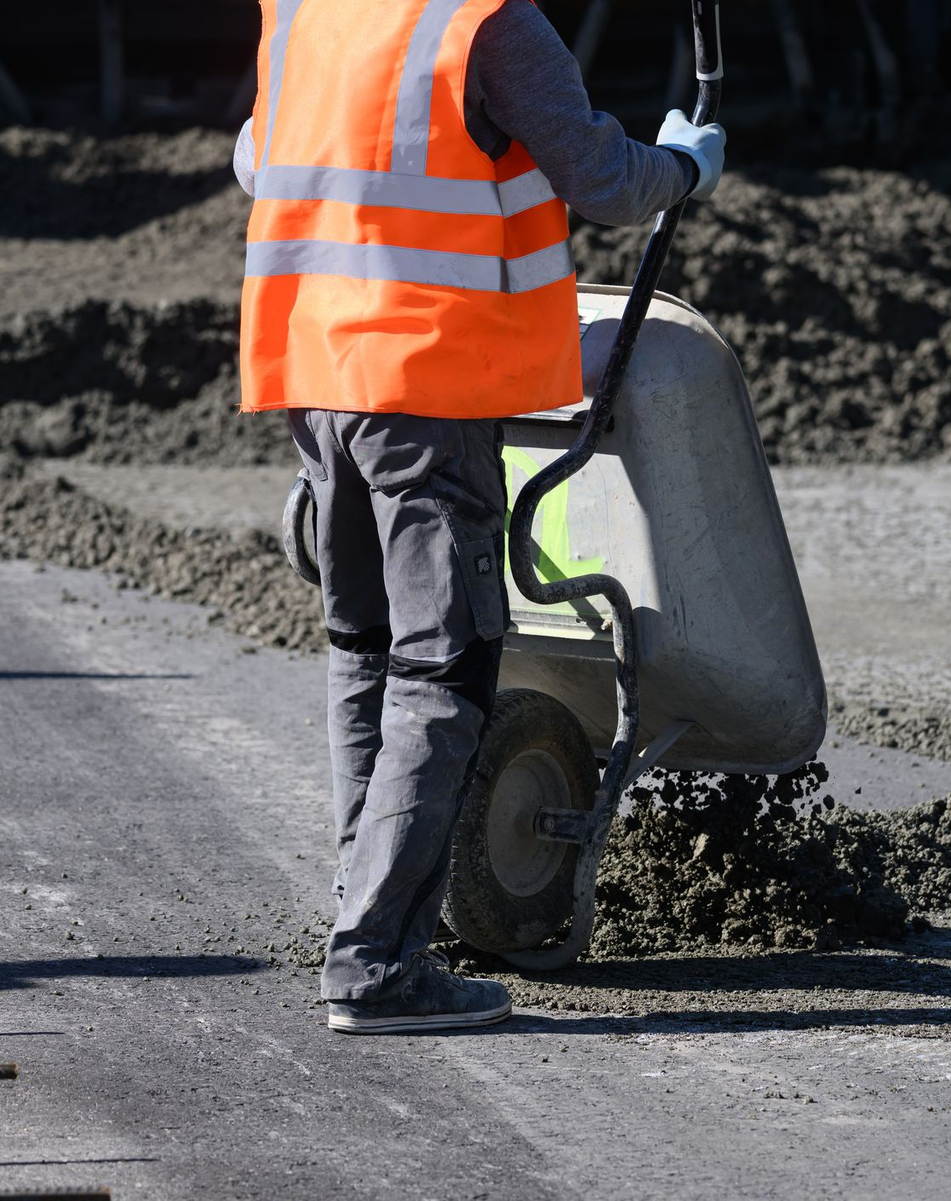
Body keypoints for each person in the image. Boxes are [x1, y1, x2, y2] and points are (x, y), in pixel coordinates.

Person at [234, 0, 726, 1035]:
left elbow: (256, 158)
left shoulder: (306, 14)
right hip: (426, 385)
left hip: (317, 374)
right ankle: (375, 964)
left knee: (364, 646)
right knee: (443, 670)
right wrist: (684, 165)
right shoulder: (485, 22)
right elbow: (602, 180)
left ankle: (365, 909)